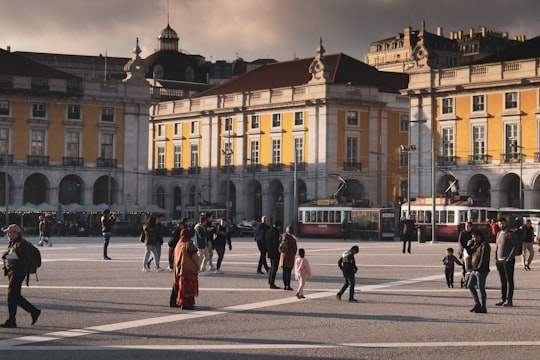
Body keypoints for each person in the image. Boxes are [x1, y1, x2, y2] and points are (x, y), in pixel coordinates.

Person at [1, 224, 41, 328]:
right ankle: (33, 311)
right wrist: (6, 255)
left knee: (11, 296)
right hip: (13, 272)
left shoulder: (22, 244)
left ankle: (12, 320)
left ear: (16, 233)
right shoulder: (14, 243)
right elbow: (12, 254)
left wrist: (12, 260)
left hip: (18, 273)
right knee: (15, 296)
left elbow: (25, 260)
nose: (8, 235)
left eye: (10, 233)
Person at [173, 228, 200, 310]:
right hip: (189, 268)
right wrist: (198, 266)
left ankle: (182, 302)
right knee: (190, 288)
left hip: (180, 269)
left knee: (183, 288)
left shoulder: (178, 244)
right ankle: (187, 304)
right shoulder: (189, 243)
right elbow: (194, 257)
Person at [495, 217, 519, 307]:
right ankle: (503, 298)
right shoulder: (498, 234)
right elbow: (497, 246)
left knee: (509, 280)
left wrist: (509, 258)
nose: (501, 225)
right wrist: (496, 258)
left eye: (503, 223)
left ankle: (509, 300)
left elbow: (515, 247)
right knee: (503, 280)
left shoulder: (510, 234)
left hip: (508, 261)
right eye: (500, 223)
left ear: (506, 223)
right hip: (499, 261)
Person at [467, 230, 491, 313]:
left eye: (475, 237)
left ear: (479, 236)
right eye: (473, 237)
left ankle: (483, 306)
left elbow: (484, 258)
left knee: (481, 288)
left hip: (481, 270)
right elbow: (470, 253)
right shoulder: (476, 244)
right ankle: (477, 303)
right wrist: (469, 246)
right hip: (474, 269)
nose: (474, 239)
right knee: (469, 285)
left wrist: (479, 269)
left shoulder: (485, 245)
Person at [279, 224, 298, 291]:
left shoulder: (283, 236)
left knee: (284, 272)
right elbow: (295, 249)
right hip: (289, 257)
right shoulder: (292, 239)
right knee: (288, 272)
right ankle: (288, 285)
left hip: (283, 256)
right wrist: (293, 253)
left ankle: (284, 285)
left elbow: (279, 245)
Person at [266, 220, 282, 289]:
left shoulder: (269, 231)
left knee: (272, 267)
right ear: (278, 226)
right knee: (274, 268)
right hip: (275, 252)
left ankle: (269, 281)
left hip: (270, 251)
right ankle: (272, 283)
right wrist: (280, 242)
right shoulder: (276, 232)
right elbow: (276, 243)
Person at [457, 222, 473, 287]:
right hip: (464, 251)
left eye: (468, 226)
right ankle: (465, 279)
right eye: (466, 226)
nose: (467, 227)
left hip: (472, 251)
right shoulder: (462, 233)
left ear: (471, 227)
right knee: (464, 266)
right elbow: (460, 242)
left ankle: (471, 280)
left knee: (472, 266)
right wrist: (463, 248)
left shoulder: (473, 233)